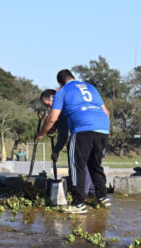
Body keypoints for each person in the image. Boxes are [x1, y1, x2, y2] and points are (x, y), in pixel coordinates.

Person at [34, 70, 111, 214]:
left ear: (59, 83)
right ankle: (103, 197)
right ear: (74, 77)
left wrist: (40, 134)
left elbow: (52, 118)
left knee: (77, 166)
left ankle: (78, 204)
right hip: (103, 128)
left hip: (83, 129)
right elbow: (106, 112)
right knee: (96, 165)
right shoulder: (91, 87)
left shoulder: (62, 91)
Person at [40, 89, 94, 197]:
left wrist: (56, 150)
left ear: (53, 97)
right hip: (97, 134)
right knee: (91, 168)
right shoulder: (72, 102)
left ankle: (81, 197)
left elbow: (64, 133)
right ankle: (93, 193)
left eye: (48, 104)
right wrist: (54, 126)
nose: (49, 107)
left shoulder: (63, 108)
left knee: (79, 168)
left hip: (81, 137)